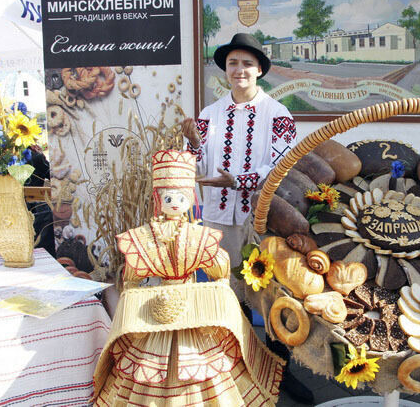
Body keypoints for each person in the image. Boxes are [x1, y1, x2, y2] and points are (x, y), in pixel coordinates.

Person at [91, 149, 285, 406]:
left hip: (193, 310)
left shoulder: (197, 236)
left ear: (191, 199)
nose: (174, 203)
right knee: (157, 363)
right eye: (168, 197)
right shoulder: (147, 236)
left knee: (199, 362)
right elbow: (132, 277)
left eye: (181, 197)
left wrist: (216, 296)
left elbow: (219, 272)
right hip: (162, 309)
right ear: (158, 199)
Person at [182, 33, 313, 404]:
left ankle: (281, 370)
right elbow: (196, 167)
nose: (239, 70)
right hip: (217, 217)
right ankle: (234, 367)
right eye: (233, 63)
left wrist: (238, 181)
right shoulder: (209, 115)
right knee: (226, 295)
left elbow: (281, 168)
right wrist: (193, 145)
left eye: (247, 63)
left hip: (263, 220)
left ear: (260, 70)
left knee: (269, 296)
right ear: (225, 69)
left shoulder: (278, 115)